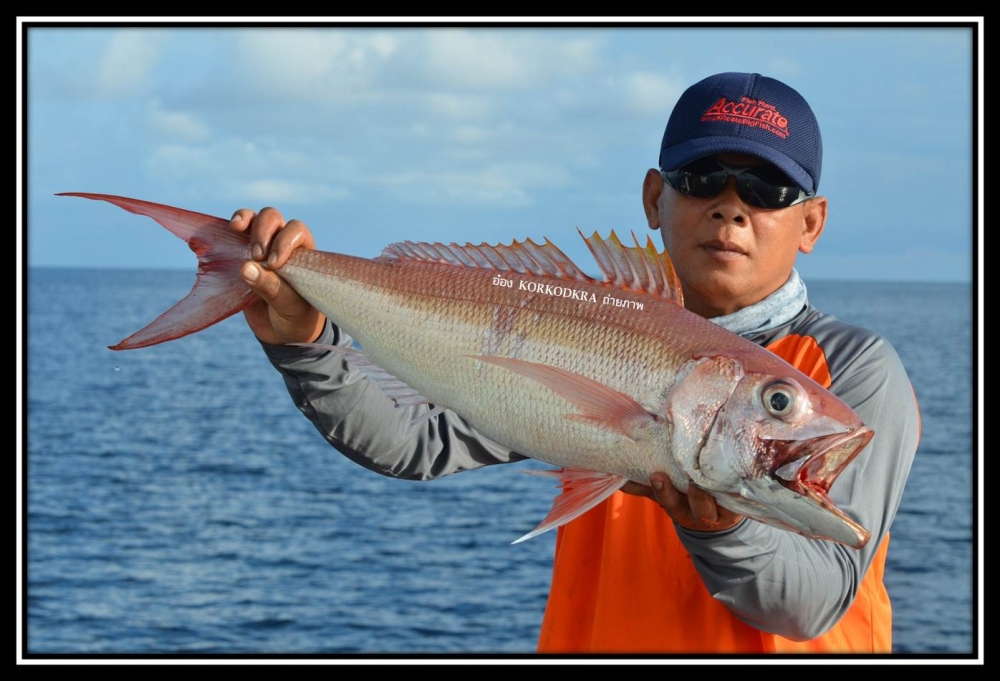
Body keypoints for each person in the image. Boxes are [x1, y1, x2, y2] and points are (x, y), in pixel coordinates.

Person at [228, 72, 920, 653]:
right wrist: (303, 342)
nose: (731, 209)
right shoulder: (590, 324)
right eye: (704, 177)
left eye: (767, 189)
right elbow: (414, 441)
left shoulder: (853, 373)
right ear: (655, 198)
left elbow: (815, 600)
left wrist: (720, 525)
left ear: (812, 223)